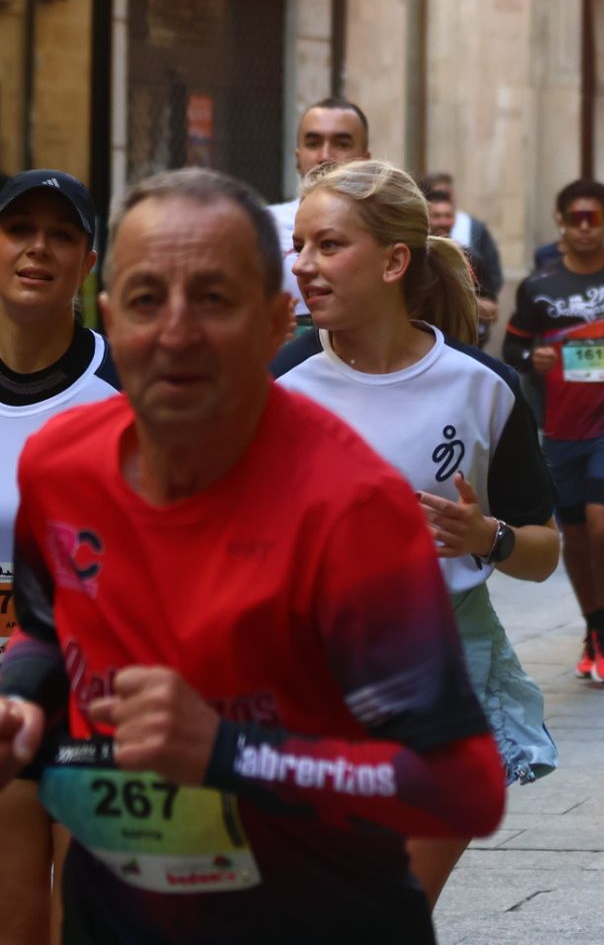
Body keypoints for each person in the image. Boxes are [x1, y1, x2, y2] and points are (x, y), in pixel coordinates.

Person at [0, 168, 506, 943]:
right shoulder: (60, 465)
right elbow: (44, 627)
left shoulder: (352, 506)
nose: (175, 332)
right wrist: (21, 706)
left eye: (213, 299)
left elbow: (459, 786)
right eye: (145, 300)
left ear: (276, 324)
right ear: (108, 317)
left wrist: (230, 751)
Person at [272, 159, 561, 907]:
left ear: (396, 261)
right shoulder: (277, 387)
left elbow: (543, 551)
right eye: (299, 246)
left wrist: (484, 535)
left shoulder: (482, 386)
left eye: (328, 246)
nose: (304, 266)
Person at [0, 171, 118, 945]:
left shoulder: (128, 388)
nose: (37, 247)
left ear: (88, 260)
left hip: (95, 690)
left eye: (62, 234)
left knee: (88, 916)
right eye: (18, 229)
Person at [502, 180, 604, 684]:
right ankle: (593, 625)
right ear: (561, 223)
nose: (585, 228)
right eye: (576, 219)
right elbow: (513, 349)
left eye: (594, 219)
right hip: (562, 429)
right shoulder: (539, 286)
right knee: (575, 534)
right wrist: (535, 357)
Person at [267, 98, 372, 333]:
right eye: (313, 143)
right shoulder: (262, 227)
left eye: (342, 144)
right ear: (297, 155)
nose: (325, 156)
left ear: (365, 159)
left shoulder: (388, 229)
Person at [418, 172, 505, 346]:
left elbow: (493, 312)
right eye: (436, 216)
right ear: (425, 217)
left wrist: (459, 299)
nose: (443, 222)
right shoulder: (413, 256)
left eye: (448, 216)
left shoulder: (471, 257)